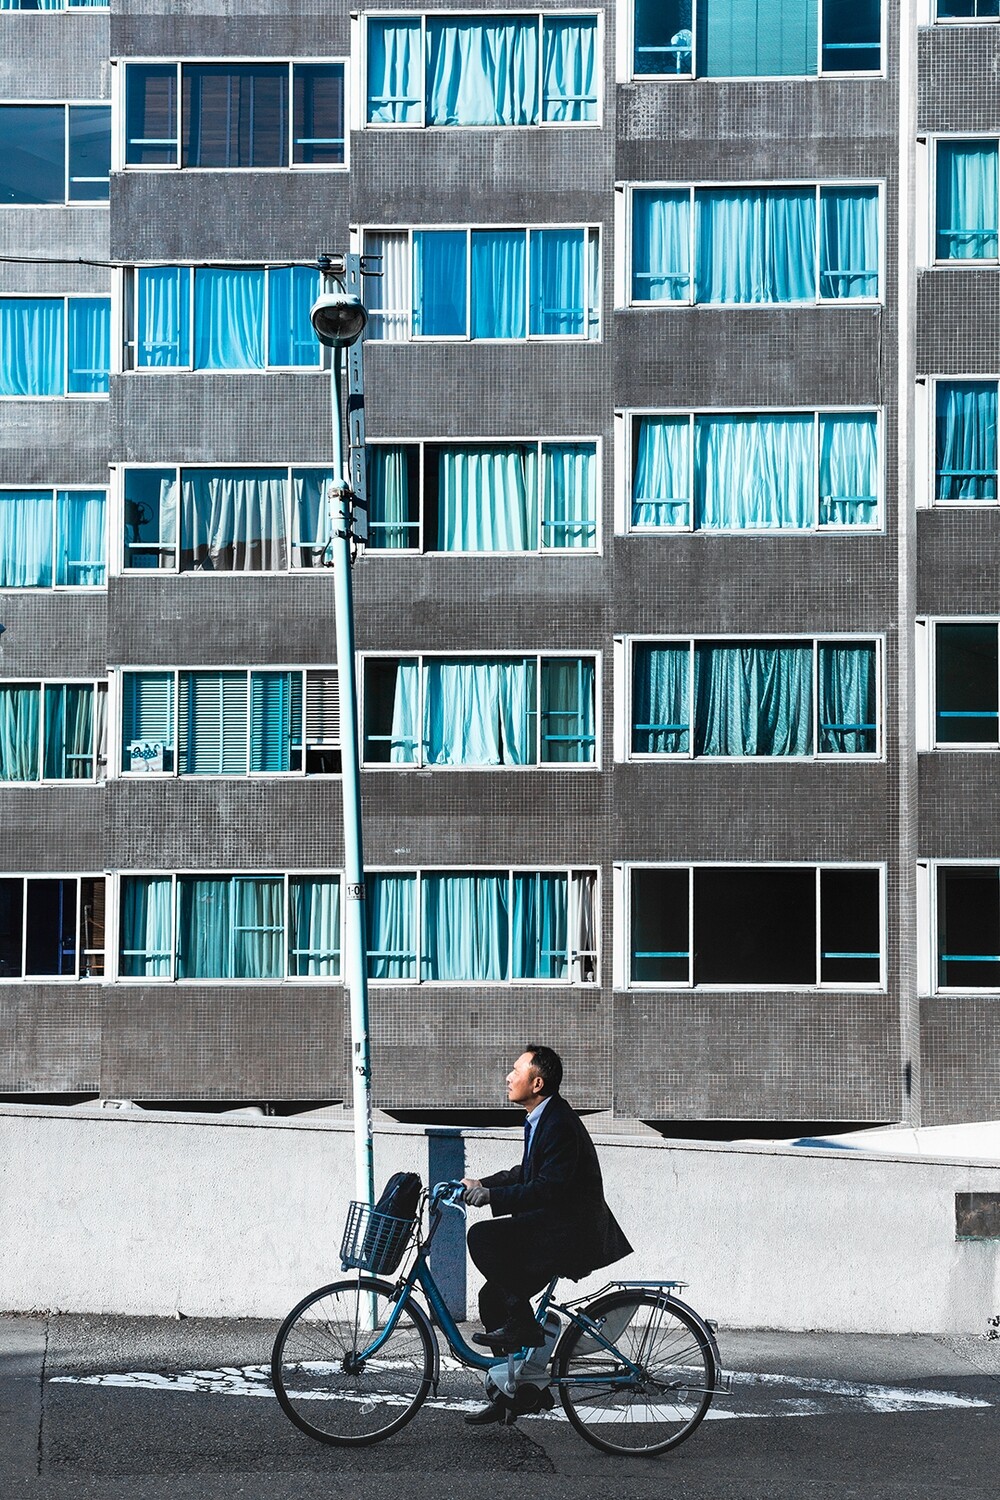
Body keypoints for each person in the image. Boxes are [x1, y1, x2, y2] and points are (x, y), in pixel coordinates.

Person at [461, 1045, 633, 1425]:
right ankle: (516, 1393)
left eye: (516, 1070)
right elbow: (525, 1173)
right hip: (554, 1229)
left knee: (482, 1238)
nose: (508, 1076)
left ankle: (524, 1326)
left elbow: (547, 1188)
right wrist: (480, 1183)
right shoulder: (543, 1117)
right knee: (493, 1298)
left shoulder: (558, 1122)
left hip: (568, 1235)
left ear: (536, 1083)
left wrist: (492, 1196)